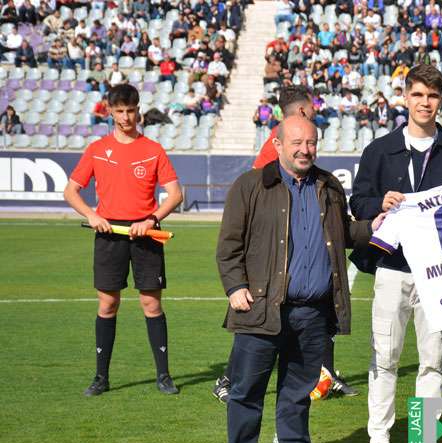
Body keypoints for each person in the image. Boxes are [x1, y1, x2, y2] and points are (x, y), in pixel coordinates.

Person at [216, 116, 382, 443]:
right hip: (261, 310)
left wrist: (378, 224)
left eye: (311, 142)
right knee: (246, 392)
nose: (305, 149)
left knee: (297, 392)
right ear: (277, 145)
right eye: (296, 142)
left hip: (313, 314)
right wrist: (234, 287)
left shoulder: (328, 185)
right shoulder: (250, 185)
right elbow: (229, 246)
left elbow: (346, 232)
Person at [349, 64, 442, 443]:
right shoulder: (379, 149)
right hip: (392, 269)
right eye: (418, 94)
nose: (425, 103)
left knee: (433, 362)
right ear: (405, 97)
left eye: (433, 96)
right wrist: (378, 204)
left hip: (440, 275)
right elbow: (358, 202)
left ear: (441, 100)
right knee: (384, 359)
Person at [212, 86, 358, 403]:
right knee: (261, 333)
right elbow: (259, 197)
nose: (315, 113)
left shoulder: (296, 146)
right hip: (276, 259)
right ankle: (228, 378)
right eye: (311, 109)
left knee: (317, 307)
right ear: (301, 112)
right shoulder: (274, 150)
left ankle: (325, 375)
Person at [62, 84, 184, 397]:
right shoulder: (97, 149)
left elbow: (175, 194)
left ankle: (164, 376)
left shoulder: (153, 150)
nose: (126, 117)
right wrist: (92, 215)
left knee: (151, 303)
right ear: (110, 111)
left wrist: (151, 219)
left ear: (138, 111)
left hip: (146, 234)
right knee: (108, 303)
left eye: (130, 111)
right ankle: (101, 378)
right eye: (119, 111)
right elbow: (71, 191)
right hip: (108, 234)